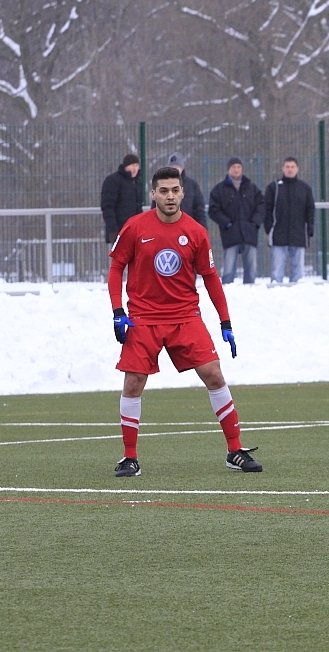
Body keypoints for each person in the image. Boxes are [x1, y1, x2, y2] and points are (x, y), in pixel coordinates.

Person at [107, 166, 262, 477]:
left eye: (175, 190)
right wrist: (117, 311)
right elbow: (116, 268)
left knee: (213, 374)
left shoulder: (196, 231)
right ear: (153, 194)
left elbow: (211, 277)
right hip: (143, 318)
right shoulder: (135, 227)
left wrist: (226, 322)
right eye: (164, 191)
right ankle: (129, 457)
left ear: (183, 193)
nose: (170, 196)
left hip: (185, 317)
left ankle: (235, 450)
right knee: (133, 382)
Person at [208, 157, 265, 284]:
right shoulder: (219, 189)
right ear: (228, 169)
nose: (236, 169)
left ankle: (251, 291)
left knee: (251, 269)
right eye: (233, 167)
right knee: (228, 270)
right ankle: (227, 292)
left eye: (239, 167)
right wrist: (227, 223)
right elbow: (213, 210)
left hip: (249, 234)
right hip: (230, 235)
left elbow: (261, 206)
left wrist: (254, 223)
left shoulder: (251, 187)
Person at [264, 156, 316, 283]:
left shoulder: (305, 188)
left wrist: (310, 227)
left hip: (299, 235)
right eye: (287, 166)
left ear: (297, 169)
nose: (290, 169)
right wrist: (269, 228)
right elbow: (266, 209)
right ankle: (276, 293)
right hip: (278, 235)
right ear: (283, 168)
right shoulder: (274, 187)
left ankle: (296, 293)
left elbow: (310, 209)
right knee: (277, 272)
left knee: (298, 272)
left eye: (292, 167)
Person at [101, 154, 144, 243]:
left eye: (136, 165)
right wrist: (113, 230)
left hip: (134, 230)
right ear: (125, 166)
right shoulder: (113, 181)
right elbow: (108, 207)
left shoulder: (136, 182)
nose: (135, 168)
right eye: (132, 165)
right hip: (120, 229)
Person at [167, 153, 208, 228]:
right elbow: (155, 208)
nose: (174, 169)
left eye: (177, 166)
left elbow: (199, 208)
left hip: (188, 228)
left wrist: (202, 228)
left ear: (182, 168)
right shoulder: (162, 184)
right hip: (168, 227)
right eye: (172, 167)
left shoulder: (192, 185)